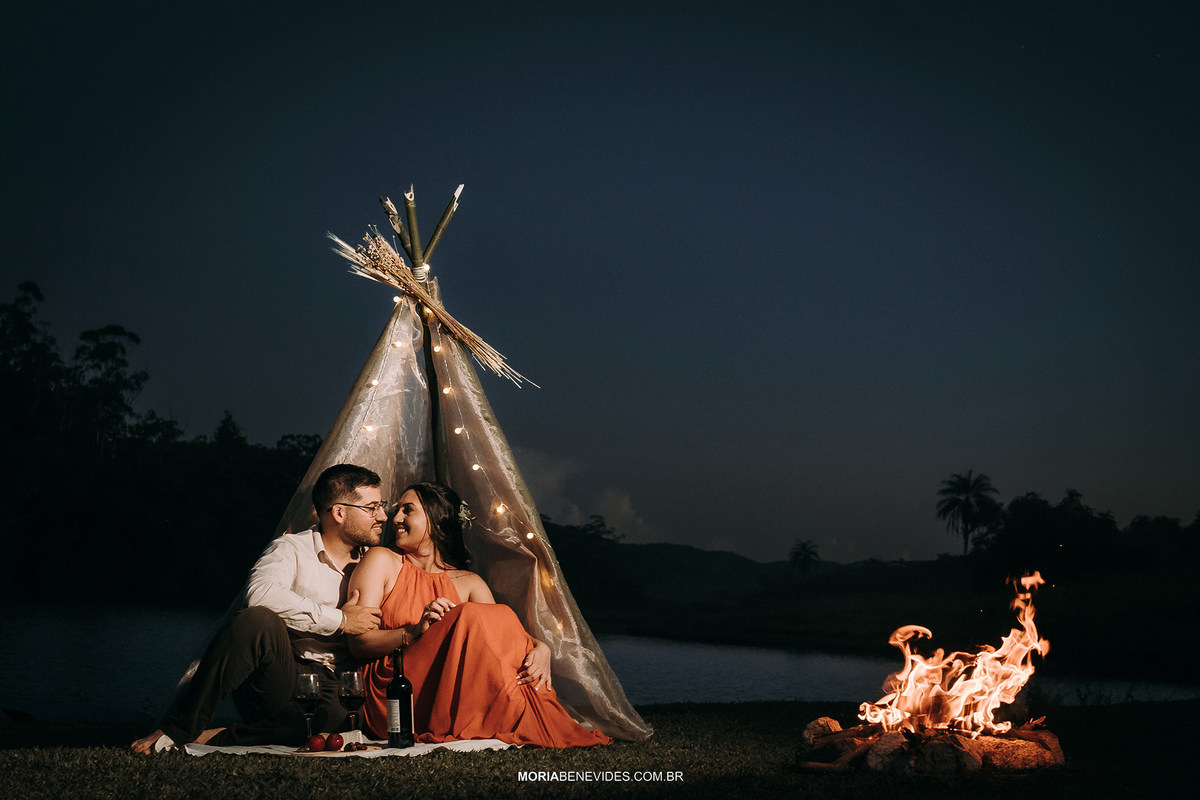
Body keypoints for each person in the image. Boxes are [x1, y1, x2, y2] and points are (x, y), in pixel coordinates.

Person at [130, 463, 386, 752]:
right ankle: (180, 727)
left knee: (333, 726)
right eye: (372, 508)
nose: (383, 516)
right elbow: (260, 594)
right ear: (339, 513)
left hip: (340, 684)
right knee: (256, 620)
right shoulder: (291, 549)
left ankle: (220, 737)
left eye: (382, 506)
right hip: (284, 676)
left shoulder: (378, 560)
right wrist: (340, 620)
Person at [348, 482, 611, 748]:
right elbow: (358, 643)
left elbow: (504, 639)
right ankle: (526, 716)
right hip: (395, 691)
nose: (395, 518)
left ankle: (527, 712)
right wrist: (414, 631)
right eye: (397, 510)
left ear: (437, 521)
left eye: (408, 510)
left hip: (453, 689)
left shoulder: (469, 582)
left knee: (499, 614)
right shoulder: (382, 560)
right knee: (469, 614)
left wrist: (542, 648)